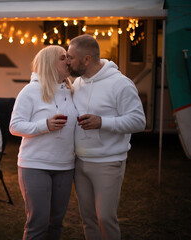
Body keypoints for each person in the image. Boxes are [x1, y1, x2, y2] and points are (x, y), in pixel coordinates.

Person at [66, 34, 146, 240]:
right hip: (80, 162)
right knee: (88, 219)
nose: (67, 61)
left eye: (71, 57)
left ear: (86, 60)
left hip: (108, 162)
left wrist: (102, 122)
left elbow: (138, 121)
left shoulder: (120, 84)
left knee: (105, 218)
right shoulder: (78, 83)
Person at [10, 45, 78, 240]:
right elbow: (14, 126)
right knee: (37, 224)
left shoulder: (72, 91)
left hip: (65, 166)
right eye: (63, 57)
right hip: (35, 165)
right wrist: (45, 125)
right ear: (49, 63)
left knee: (56, 223)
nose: (69, 61)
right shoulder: (30, 91)